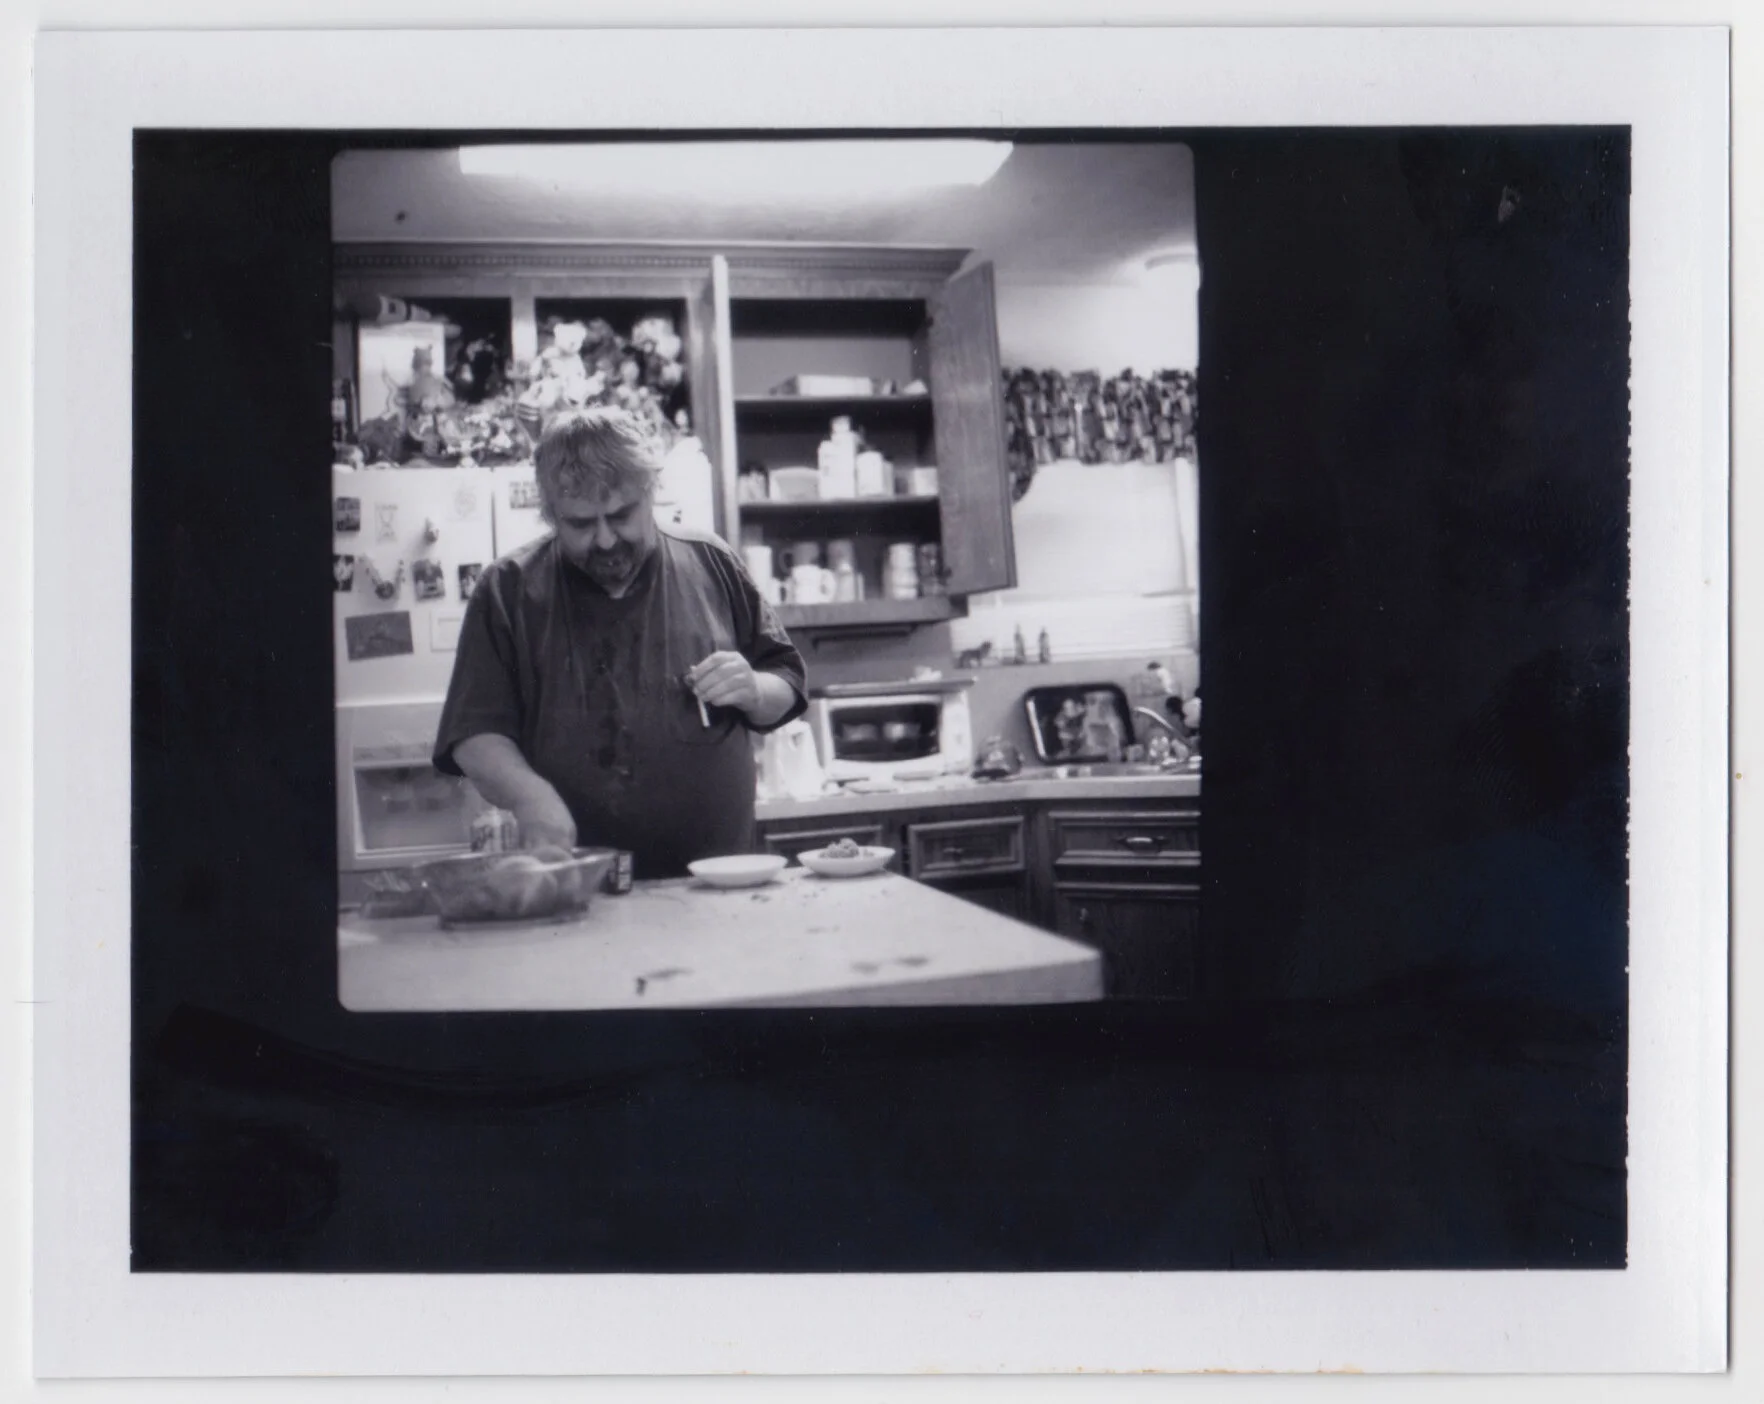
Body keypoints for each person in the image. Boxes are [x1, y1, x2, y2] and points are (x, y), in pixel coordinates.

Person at [433, 407, 807, 878]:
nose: (606, 540)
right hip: (577, 885)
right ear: (550, 514)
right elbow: (472, 735)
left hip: (721, 878)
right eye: (581, 524)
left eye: (621, 515)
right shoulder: (507, 589)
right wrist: (530, 797)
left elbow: (786, 684)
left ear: (651, 491)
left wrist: (753, 688)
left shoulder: (711, 561)